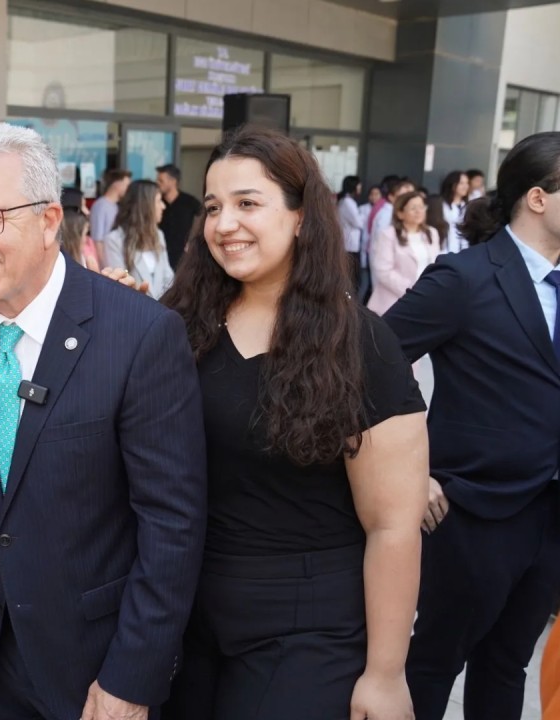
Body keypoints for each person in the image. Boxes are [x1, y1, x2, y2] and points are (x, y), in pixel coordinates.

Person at [0, 123, 207, 720]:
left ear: (51, 220)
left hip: (96, 669)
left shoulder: (140, 334)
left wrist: (133, 675)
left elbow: (172, 525)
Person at [160, 126, 428, 720]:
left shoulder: (360, 343)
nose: (224, 223)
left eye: (247, 203)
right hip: (186, 615)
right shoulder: (179, 324)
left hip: (308, 626)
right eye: (212, 207)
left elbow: (392, 526)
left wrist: (385, 675)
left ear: (302, 216)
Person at [384, 131, 560, 720]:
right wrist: (413, 470)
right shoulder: (465, 279)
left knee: (509, 664)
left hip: (551, 518)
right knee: (434, 663)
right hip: (474, 514)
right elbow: (366, 360)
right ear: (537, 198)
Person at [367, 191, 440, 317]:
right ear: (400, 213)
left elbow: (435, 264)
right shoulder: (389, 234)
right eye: (413, 208)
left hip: (425, 299)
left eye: (422, 207)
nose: (419, 211)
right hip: (394, 301)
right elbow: (383, 271)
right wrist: (412, 290)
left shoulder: (431, 233)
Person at [102, 179, 174, 299]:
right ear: (145, 207)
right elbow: (120, 287)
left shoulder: (159, 235)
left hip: (163, 311)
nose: (163, 206)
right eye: (158, 201)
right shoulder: (114, 241)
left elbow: (169, 278)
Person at [156, 163, 203, 270]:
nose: (157, 184)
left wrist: (193, 240)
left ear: (173, 181)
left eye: (161, 180)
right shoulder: (156, 204)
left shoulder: (190, 202)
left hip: (183, 261)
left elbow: (204, 218)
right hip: (161, 259)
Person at [89, 168, 131, 249]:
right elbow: (97, 240)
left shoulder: (116, 206)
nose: (128, 189)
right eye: (127, 185)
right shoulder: (100, 206)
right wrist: (102, 261)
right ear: (117, 184)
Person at [338, 175, 366, 288]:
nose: (360, 187)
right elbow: (359, 223)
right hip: (349, 246)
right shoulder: (348, 202)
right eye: (359, 184)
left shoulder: (346, 201)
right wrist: (365, 214)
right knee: (352, 278)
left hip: (349, 244)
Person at [438, 170, 470, 253]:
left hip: (463, 252)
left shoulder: (468, 206)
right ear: (452, 185)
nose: (465, 186)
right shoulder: (441, 204)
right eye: (461, 183)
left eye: (467, 183)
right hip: (444, 250)